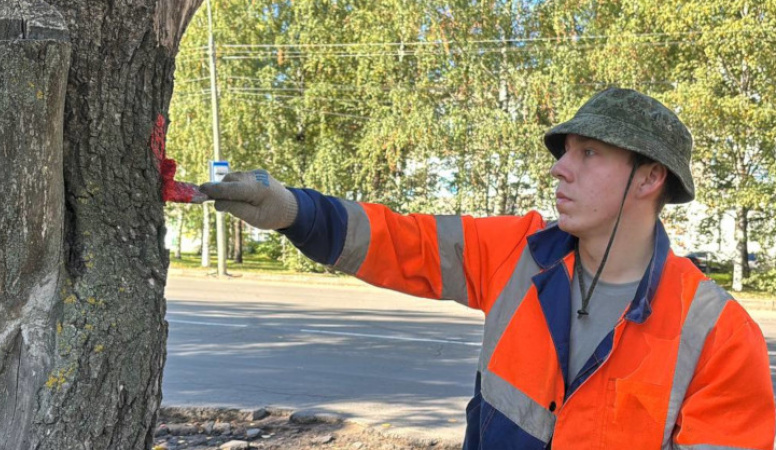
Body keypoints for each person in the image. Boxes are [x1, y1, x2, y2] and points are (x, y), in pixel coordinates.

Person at [199, 88, 775, 449]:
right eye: (564, 151)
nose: (560, 170)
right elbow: (404, 242)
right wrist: (295, 212)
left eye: (589, 153)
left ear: (649, 178)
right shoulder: (520, 253)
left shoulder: (718, 335)